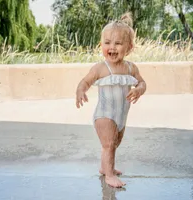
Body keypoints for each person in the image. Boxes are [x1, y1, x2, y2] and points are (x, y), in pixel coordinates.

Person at [75, 12, 146, 188]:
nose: (112, 47)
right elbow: (85, 81)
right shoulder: (100, 68)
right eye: (107, 43)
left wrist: (138, 90)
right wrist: (80, 91)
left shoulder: (131, 68)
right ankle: (109, 175)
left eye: (118, 43)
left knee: (115, 143)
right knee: (108, 144)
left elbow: (143, 83)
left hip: (121, 116)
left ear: (129, 47)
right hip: (105, 114)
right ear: (101, 45)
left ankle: (104, 166)